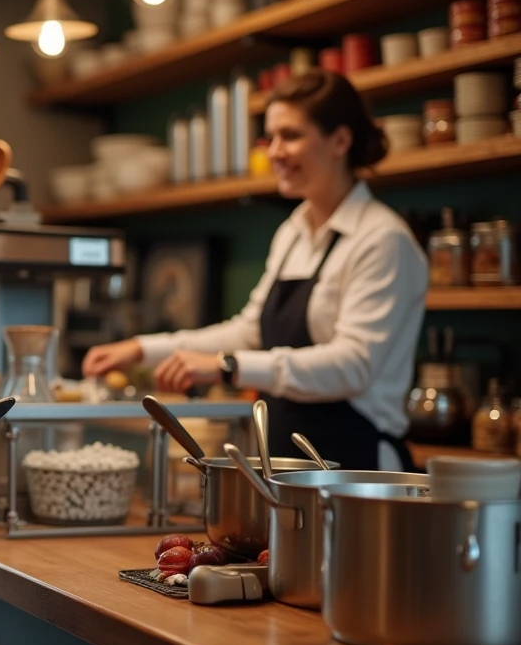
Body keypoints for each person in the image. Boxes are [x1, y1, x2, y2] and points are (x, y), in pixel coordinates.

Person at [83, 70, 427, 471]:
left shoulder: (382, 238)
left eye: (290, 136)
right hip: (289, 464)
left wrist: (228, 367)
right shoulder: (293, 232)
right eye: (270, 138)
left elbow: (353, 366)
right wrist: (142, 349)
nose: (274, 152)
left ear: (340, 141)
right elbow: (250, 332)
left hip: (358, 468)